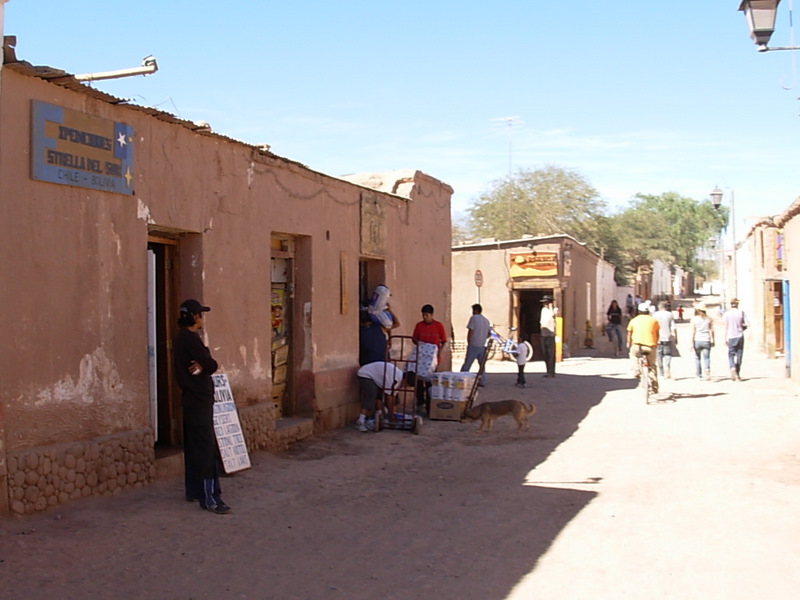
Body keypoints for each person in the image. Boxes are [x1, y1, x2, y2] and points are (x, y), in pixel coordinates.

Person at [173, 299, 230, 515]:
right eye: (200, 315)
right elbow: (211, 364)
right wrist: (204, 364)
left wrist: (202, 365)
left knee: (194, 445)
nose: (201, 319)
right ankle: (210, 497)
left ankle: (194, 489)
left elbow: (203, 364)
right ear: (194, 317)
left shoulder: (180, 339)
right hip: (199, 399)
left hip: (190, 398)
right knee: (206, 447)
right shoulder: (190, 339)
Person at [409, 304, 448, 412]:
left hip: (433, 358)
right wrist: (420, 344)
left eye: (426, 315)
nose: (424, 317)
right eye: (423, 315)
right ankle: (420, 402)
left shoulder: (438, 326)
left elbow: (444, 340)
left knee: (430, 382)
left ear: (431, 315)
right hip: (421, 358)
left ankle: (430, 406)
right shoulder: (419, 325)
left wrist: (439, 352)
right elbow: (414, 338)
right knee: (419, 382)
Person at [355, 361, 405, 432]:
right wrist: (391, 415)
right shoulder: (394, 378)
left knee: (381, 393)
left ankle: (379, 415)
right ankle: (360, 420)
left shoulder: (399, 379)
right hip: (365, 373)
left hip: (376, 375)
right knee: (371, 394)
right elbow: (389, 397)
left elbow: (392, 396)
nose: (404, 387)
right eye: (406, 385)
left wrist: (392, 413)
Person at [627, 302, 660, 394]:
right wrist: (656, 342)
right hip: (650, 346)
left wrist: (629, 343)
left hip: (637, 346)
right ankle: (654, 386)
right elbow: (657, 334)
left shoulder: (634, 320)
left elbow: (629, 333)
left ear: (639, 311)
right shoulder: (654, 320)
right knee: (652, 366)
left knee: (632, 354)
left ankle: (636, 369)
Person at [460, 303, 491, 386]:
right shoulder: (486, 320)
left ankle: (461, 379)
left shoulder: (473, 318)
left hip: (473, 344)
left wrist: (469, 341)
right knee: (481, 366)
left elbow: (471, 330)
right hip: (482, 345)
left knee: (467, 364)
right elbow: (489, 334)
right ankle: (482, 381)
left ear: (475, 310)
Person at [723, 298, 748, 381]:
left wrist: (724, 338)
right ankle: (737, 374)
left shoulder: (727, 314)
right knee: (739, 355)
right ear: (737, 304)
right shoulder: (741, 313)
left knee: (731, 354)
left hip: (731, 336)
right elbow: (747, 324)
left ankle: (732, 366)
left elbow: (726, 326)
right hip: (740, 335)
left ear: (731, 304)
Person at [653, 300, 677, 379]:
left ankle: (661, 373)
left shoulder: (655, 315)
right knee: (668, 354)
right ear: (666, 307)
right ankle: (667, 366)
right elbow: (673, 327)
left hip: (658, 338)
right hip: (668, 337)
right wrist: (676, 338)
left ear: (659, 307)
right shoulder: (670, 314)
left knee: (659, 355)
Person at [690, 302, 715, 379]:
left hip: (697, 340)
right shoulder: (709, 319)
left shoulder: (694, 319)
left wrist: (691, 343)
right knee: (707, 357)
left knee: (697, 358)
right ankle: (707, 369)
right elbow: (712, 330)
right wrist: (713, 340)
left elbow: (693, 331)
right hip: (706, 339)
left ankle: (698, 375)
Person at [539, 296, 557, 378]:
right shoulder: (543, 310)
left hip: (551, 334)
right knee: (545, 353)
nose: (545, 304)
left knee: (551, 354)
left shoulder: (553, 310)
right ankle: (547, 371)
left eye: (546, 302)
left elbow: (553, 315)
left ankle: (551, 371)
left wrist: (551, 307)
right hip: (544, 334)